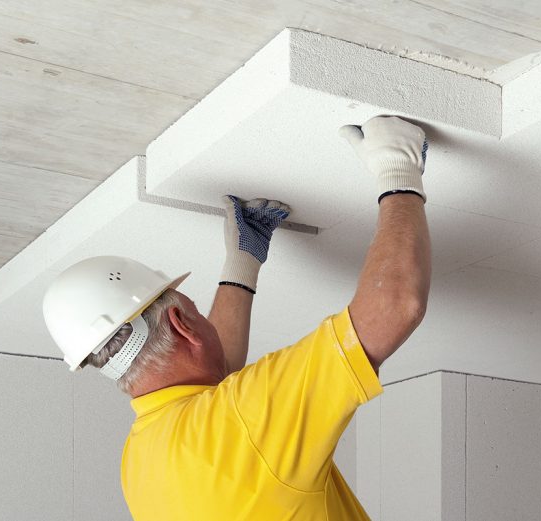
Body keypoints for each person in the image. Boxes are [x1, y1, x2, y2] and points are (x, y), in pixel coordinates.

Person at [42, 115, 431, 520]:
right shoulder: (236, 423)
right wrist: (397, 169)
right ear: (182, 325)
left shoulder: (142, 459)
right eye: (193, 310)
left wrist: (241, 267)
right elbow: (395, 306)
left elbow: (215, 385)